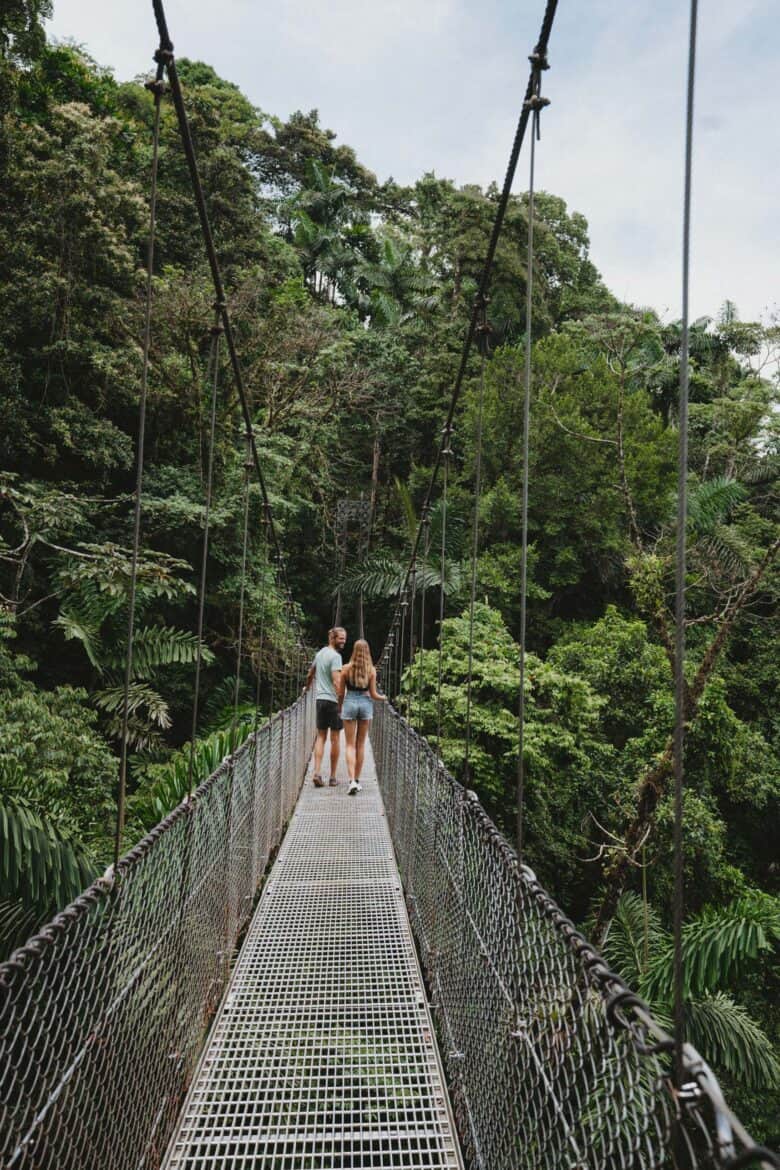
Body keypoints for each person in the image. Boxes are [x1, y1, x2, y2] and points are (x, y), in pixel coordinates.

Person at [337, 638, 385, 796]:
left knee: (349, 745)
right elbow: (373, 694)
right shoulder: (371, 670)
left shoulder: (345, 669)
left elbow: (340, 693)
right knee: (361, 745)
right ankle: (357, 780)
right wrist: (385, 698)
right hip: (365, 704)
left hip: (349, 703)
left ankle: (350, 781)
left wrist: (339, 707)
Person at [304, 627, 347, 787]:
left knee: (321, 737)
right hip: (333, 702)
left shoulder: (320, 653)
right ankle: (333, 777)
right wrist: (342, 702)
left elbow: (310, 673)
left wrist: (307, 688)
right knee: (335, 739)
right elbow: (337, 682)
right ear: (332, 638)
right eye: (341, 638)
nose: (343, 641)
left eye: (344, 638)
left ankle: (316, 773)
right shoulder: (336, 657)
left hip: (320, 700)